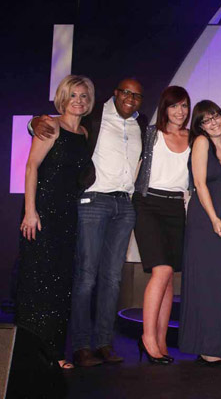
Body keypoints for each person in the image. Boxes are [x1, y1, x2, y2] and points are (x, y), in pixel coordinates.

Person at [31, 78, 147, 366]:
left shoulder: (141, 124)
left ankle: (104, 344)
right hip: (94, 202)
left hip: (125, 205)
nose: (130, 98)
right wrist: (35, 122)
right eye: (126, 93)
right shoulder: (94, 116)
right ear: (115, 93)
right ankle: (81, 346)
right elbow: (59, 124)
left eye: (137, 95)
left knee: (113, 278)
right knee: (86, 277)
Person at [16, 75, 94, 369]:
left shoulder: (83, 133)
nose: (78, 101)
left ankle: (56, 352)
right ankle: (30, 354)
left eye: (83, 96)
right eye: (73, 95)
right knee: (38, 282)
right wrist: (30, 211)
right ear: (63, 98)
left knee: (61, 283)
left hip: (68, 214)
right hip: (42, 212)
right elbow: (31, 166)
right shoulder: (50, 125)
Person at [178, 100, 221, 368]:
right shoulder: (201, 143)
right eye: (206, 120)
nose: (213, 123)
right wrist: (214, 218)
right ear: (200, 126)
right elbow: (199, 183)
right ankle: (207, 347)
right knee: (206, 283)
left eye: (216, 116)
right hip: (206, 220)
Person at [133, 86, 190, 364]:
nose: (180, 111)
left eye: (184, 106)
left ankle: (161, 339)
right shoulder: (150, 134)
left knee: (168, 278)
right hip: (148, 204)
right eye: (174, 105)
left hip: (176, 208)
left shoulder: (194, 138)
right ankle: (147, 338)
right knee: (162, 270)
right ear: (164, 107)